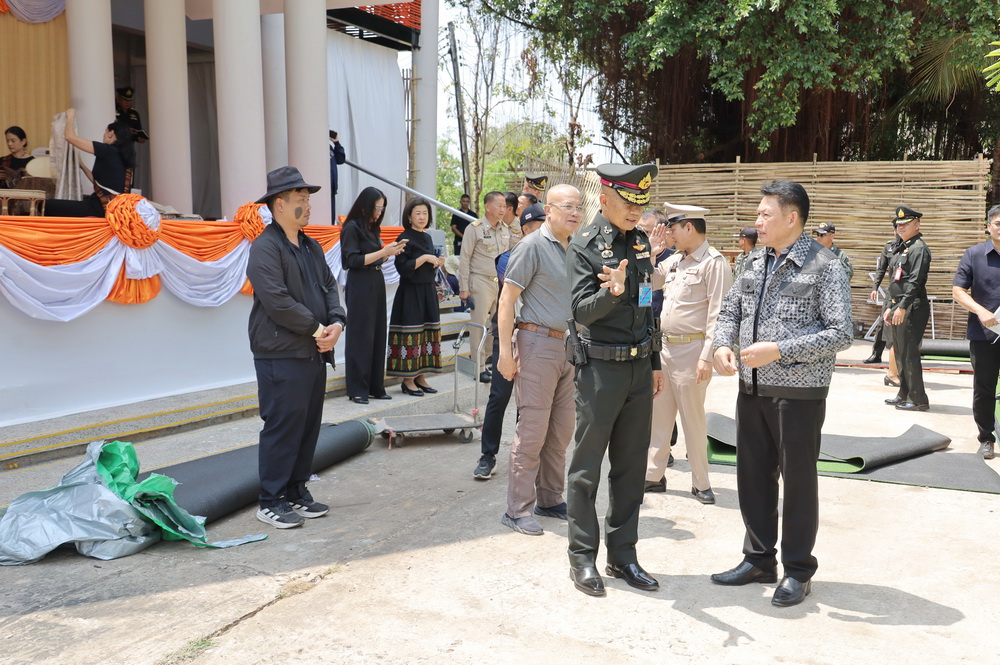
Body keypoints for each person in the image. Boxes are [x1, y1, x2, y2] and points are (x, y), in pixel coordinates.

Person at [711, 179, 852, 608]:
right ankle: (757, 559)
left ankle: (796, 570)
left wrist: (779, 349)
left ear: (792, 218)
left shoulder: (825, 265)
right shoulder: (754, 261)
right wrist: (720, 344)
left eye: (765, 214)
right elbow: (731, 309)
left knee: (798, 483)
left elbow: (841, 332)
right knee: (752, 478)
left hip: (800, 393)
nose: (757, 221)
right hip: (752, 388)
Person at [565, 162, 663, 598]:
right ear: (605, 200)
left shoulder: (640, 242)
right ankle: (582, 558)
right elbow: (582, 311)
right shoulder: (584, 245)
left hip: (640, 370)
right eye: (628, 204)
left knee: (630, 468)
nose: (635, 213)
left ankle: (623, 556)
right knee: (586, 469)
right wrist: (612, 292)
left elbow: (646, 307)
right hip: (600, 371)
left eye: (641, 204)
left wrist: (655, 360)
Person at [246, 166, 346, 528]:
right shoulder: (265, 247)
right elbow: (277, 301)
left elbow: (330, 286)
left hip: (313, 351)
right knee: (282, 426)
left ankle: (296, 490)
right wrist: (318, 328)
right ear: (279, 205)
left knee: (307, 425)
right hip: (280, 353)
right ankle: (270, 499)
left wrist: (336, 323)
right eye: (300, 198)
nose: (307, 203)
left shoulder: (310, 246)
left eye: (308, 197)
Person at [495, 187, 581, 535]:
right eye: (568, 206)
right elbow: (506, 302)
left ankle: (549, 498)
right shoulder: (530, 247)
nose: (575, 212)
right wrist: (504, 352)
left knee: (560, 431)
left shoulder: (575, 249)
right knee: (532, 431)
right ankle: (517, 510)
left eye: (579, 207)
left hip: (569, 349)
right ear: (549, 210)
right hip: (536, 344)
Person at [645, 212, 733, 505]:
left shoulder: (713, 263)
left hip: (691, 351)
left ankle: (701, 482)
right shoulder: (675, 260)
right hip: (665, 350)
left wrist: (706, 357)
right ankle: (654, 475)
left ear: (689, 227)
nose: (668, 235)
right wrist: (650, 256)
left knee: (692, 419)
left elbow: (719, 314)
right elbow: (650, 287)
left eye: (672, 230)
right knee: (659, 415)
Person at [472, 203, 545, 480]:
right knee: (499, 397)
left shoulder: (558, 256)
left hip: (536, 338)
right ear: (525, 229)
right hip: (508, 336)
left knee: (529, 402)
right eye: (537, 227)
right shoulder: (506, 258)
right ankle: (487, 456)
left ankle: (523, 456)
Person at [341, 186, 407, 404]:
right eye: (377, 207)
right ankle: (357, 388)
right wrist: (382, 252)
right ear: (365, 205)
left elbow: (375, 258)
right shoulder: (351, 228)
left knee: (378, 333)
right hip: (360, 283)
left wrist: (390, 253)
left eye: (382, 208)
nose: (379, 212)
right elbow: (352, 261)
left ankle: (375, 385)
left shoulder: (372, 229)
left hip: (375, 280)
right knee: (360, 336)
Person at [952, 206, 1000, 459]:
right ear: (988, 226)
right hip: (985, 334)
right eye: (998, 223)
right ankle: (986, 438)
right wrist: (981, 311)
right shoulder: (974, 254)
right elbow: (958, 291)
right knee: (984, 387)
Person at [459, 191, 522, 382]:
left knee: (498, 326)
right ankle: (477, 368)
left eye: (505, 206)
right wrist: (464, 287)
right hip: (480, 282)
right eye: (499, 206)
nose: (503, 210)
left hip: (501, 283)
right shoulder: (475, 228)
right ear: (488, 207)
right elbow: (464, 258)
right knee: (478, 326)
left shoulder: (506, 229)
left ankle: (490, 362)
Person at [387, 197, 445, 396]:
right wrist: (423, 258)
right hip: (410, 292)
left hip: (428, 290)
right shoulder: (404, 238)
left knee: (427, 333)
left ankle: (421, 376)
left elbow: (428, 266)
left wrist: (437, 261)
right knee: (411, 333)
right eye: (418, 213)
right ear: (409, 217)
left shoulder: (427, 237)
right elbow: (402, 268)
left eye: (425, 213)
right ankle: (408, 380)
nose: (422, 217)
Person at [883, 205, 931, 411]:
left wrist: (902, 306)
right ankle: (904, 393)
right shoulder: (902, 247)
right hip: (898, 306)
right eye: (899, 224)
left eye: (906, 224)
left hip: (911, 306)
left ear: (917, 224)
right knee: (900, 352)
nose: (901, 227)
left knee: (909, 352)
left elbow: (915, 281)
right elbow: (894, 280)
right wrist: (889, 306)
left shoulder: (918, 248)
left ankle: (918, 399)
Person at [45, 108, 134, 218]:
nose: (103, 135)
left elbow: (70, 137)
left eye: (105, 132)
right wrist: (82, 166)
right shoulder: (124, 158)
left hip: (97, 207)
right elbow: (98, 182)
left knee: (46, 205)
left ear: (111, 133)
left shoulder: (107, 150)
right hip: (112, 210)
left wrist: (70, 117)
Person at [864, 227, 902, 366]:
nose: (899, 231)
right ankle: (876, 354)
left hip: (905, 290)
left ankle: (902, 355)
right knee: (882, 323)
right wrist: (875, 288)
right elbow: (881, 269)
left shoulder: (911, 248)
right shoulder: (889, 247)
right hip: (891, 290)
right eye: (897, 228)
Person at [329, 130, 346, 222]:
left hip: (331, 188)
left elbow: (340, 159)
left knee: (330, 218)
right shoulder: (315, 147)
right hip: (322, 188)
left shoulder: (329, 147)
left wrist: (337, 143)